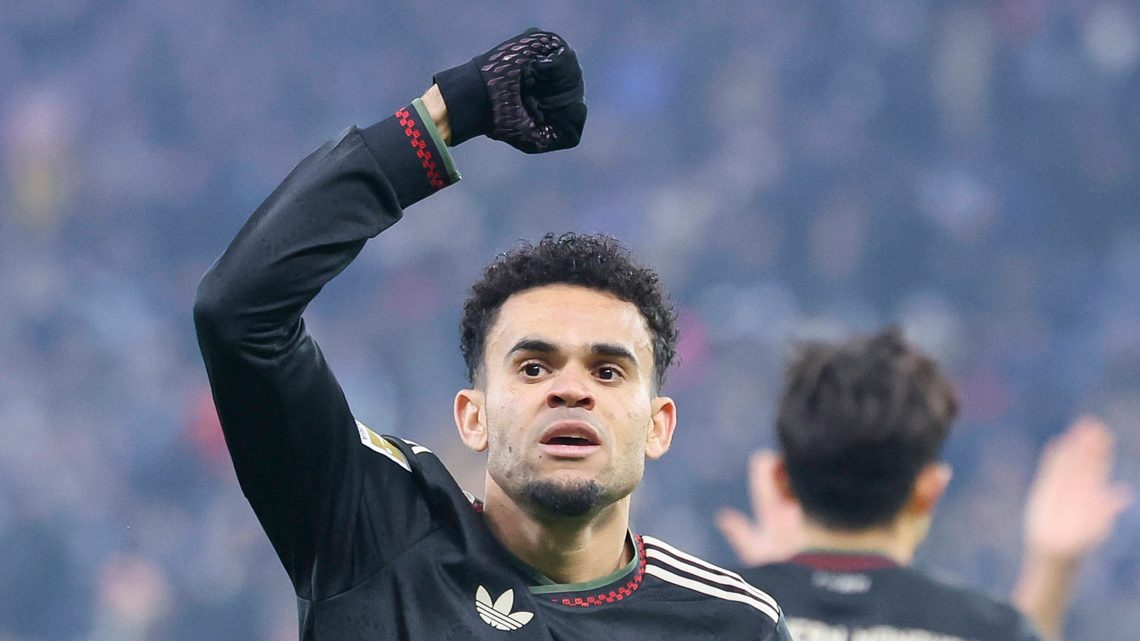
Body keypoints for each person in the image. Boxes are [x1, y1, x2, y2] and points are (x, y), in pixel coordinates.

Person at [194, 28, 790, 641]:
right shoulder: (373, 536)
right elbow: (241, 312)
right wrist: (453, 110)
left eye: (607, 371)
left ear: (659, 424)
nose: (570, 391)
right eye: (533, 367)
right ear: (472, 416)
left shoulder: (731, 626)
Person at [715, 328, 1132, 641]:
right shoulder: (982, 629)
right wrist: (1053, 568)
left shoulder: (707, 614)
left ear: (780, 481)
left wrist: (777, 587)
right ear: (929, 490)